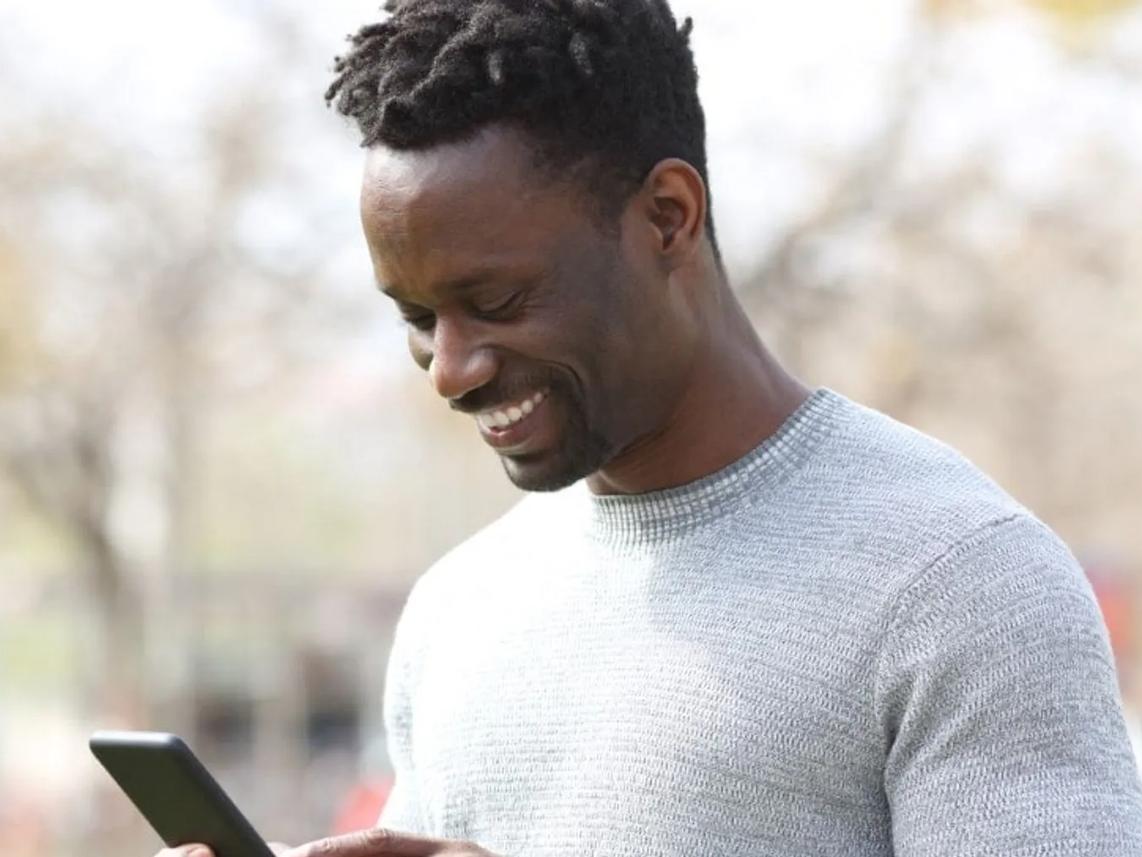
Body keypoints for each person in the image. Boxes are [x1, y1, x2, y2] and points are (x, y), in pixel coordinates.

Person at [162, 1, 1142, 855]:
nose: (451, 367)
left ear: (667, 216)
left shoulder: (959, 580)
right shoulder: (455, 610)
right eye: (417, 317)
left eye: (495, 297)